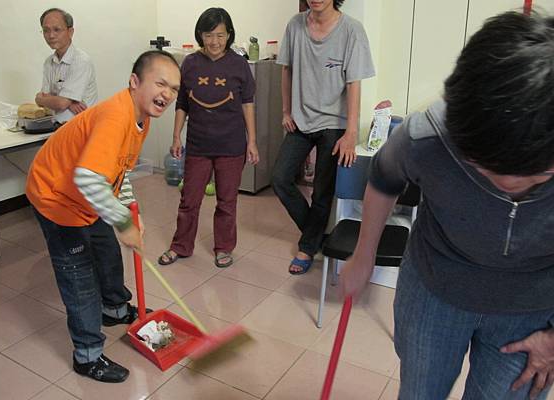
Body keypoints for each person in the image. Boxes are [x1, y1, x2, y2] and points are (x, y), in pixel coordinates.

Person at [339, 11, 554, 400]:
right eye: (476, 163)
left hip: (531, 311)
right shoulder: (432, 132)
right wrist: (364, 254)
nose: (501, 182)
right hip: (434, 290)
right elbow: (385, 177)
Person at [26, 50, 180, 383]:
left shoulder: (141, 118)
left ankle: (113, 308)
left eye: (174, 89)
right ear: (135, 82)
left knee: (108, 251)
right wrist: (122, 221)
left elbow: (118, 172)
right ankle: (87, 355)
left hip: (86, 196)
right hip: (55, 196)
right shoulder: (115, 115)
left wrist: (126, 210)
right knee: (79, 276)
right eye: (161, 83)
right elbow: (87, 177)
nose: (167, 94)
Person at [271, 0, 375, 275]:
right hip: (301, 120)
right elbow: (286, 69)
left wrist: (351, 132)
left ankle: (307, 248)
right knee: (280, 179)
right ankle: (315, 235)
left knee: (321, 191)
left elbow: (354, 84)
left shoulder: (352, 30)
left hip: (334, 123)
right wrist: (285, 110)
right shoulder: (295, 25)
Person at [157, 7, 258, 269]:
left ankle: (224, 248)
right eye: (209, 35)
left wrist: (252, 141)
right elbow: (182, 102)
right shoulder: (190, 63)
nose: (214, 41)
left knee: (227, 201)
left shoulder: (239, 64)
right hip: (199, 145)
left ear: (229, 35)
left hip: (231, 145)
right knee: (189, 200)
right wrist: (176, 136)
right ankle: (181, 245)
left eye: (220, 35)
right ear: (200, 35)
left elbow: (248, 103)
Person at [35, 8, 98, 123]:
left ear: (70, 32)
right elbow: (42, 99)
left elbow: (60, 103)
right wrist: (67, 102)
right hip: (56, 128)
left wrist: (61, 102)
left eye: (57, 29)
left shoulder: (81, 61)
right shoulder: (49, 62)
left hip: (81, 129)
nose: (51, 35)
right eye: (46, 30)